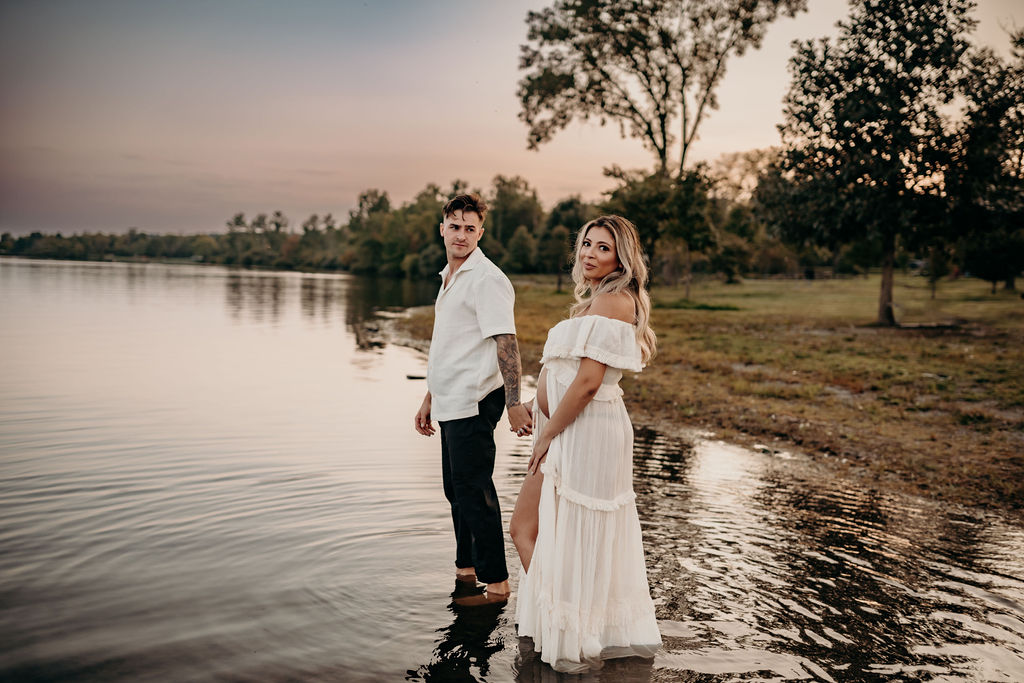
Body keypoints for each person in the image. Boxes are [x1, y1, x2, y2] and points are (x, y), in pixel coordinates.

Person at [510, 215, 661, 672]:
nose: (590, 254)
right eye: (587, 244)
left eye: (603, 248)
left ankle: (570, 633)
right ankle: (570, 627)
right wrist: (540, 413)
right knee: (539, 530)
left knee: (528, 528)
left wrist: (549, 432)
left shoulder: (616, 302)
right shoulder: (597, 300)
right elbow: (569, 375)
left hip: (584, 430)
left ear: (622, 258)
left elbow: (590, 382)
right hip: (565, 427)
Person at [414, 193, 533, 604]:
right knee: (456, 490)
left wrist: (516, 402)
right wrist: (430, 396)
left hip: (476, 400)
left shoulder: (487, 280)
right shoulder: (449, 277)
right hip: (449, 397)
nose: (461, 235)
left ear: (480, 232)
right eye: (454, 226)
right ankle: (466, 568)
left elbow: (507, 341)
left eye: (470, 228)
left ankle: (497, 584)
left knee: (475, 490)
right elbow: (449, 345)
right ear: (442, 228)